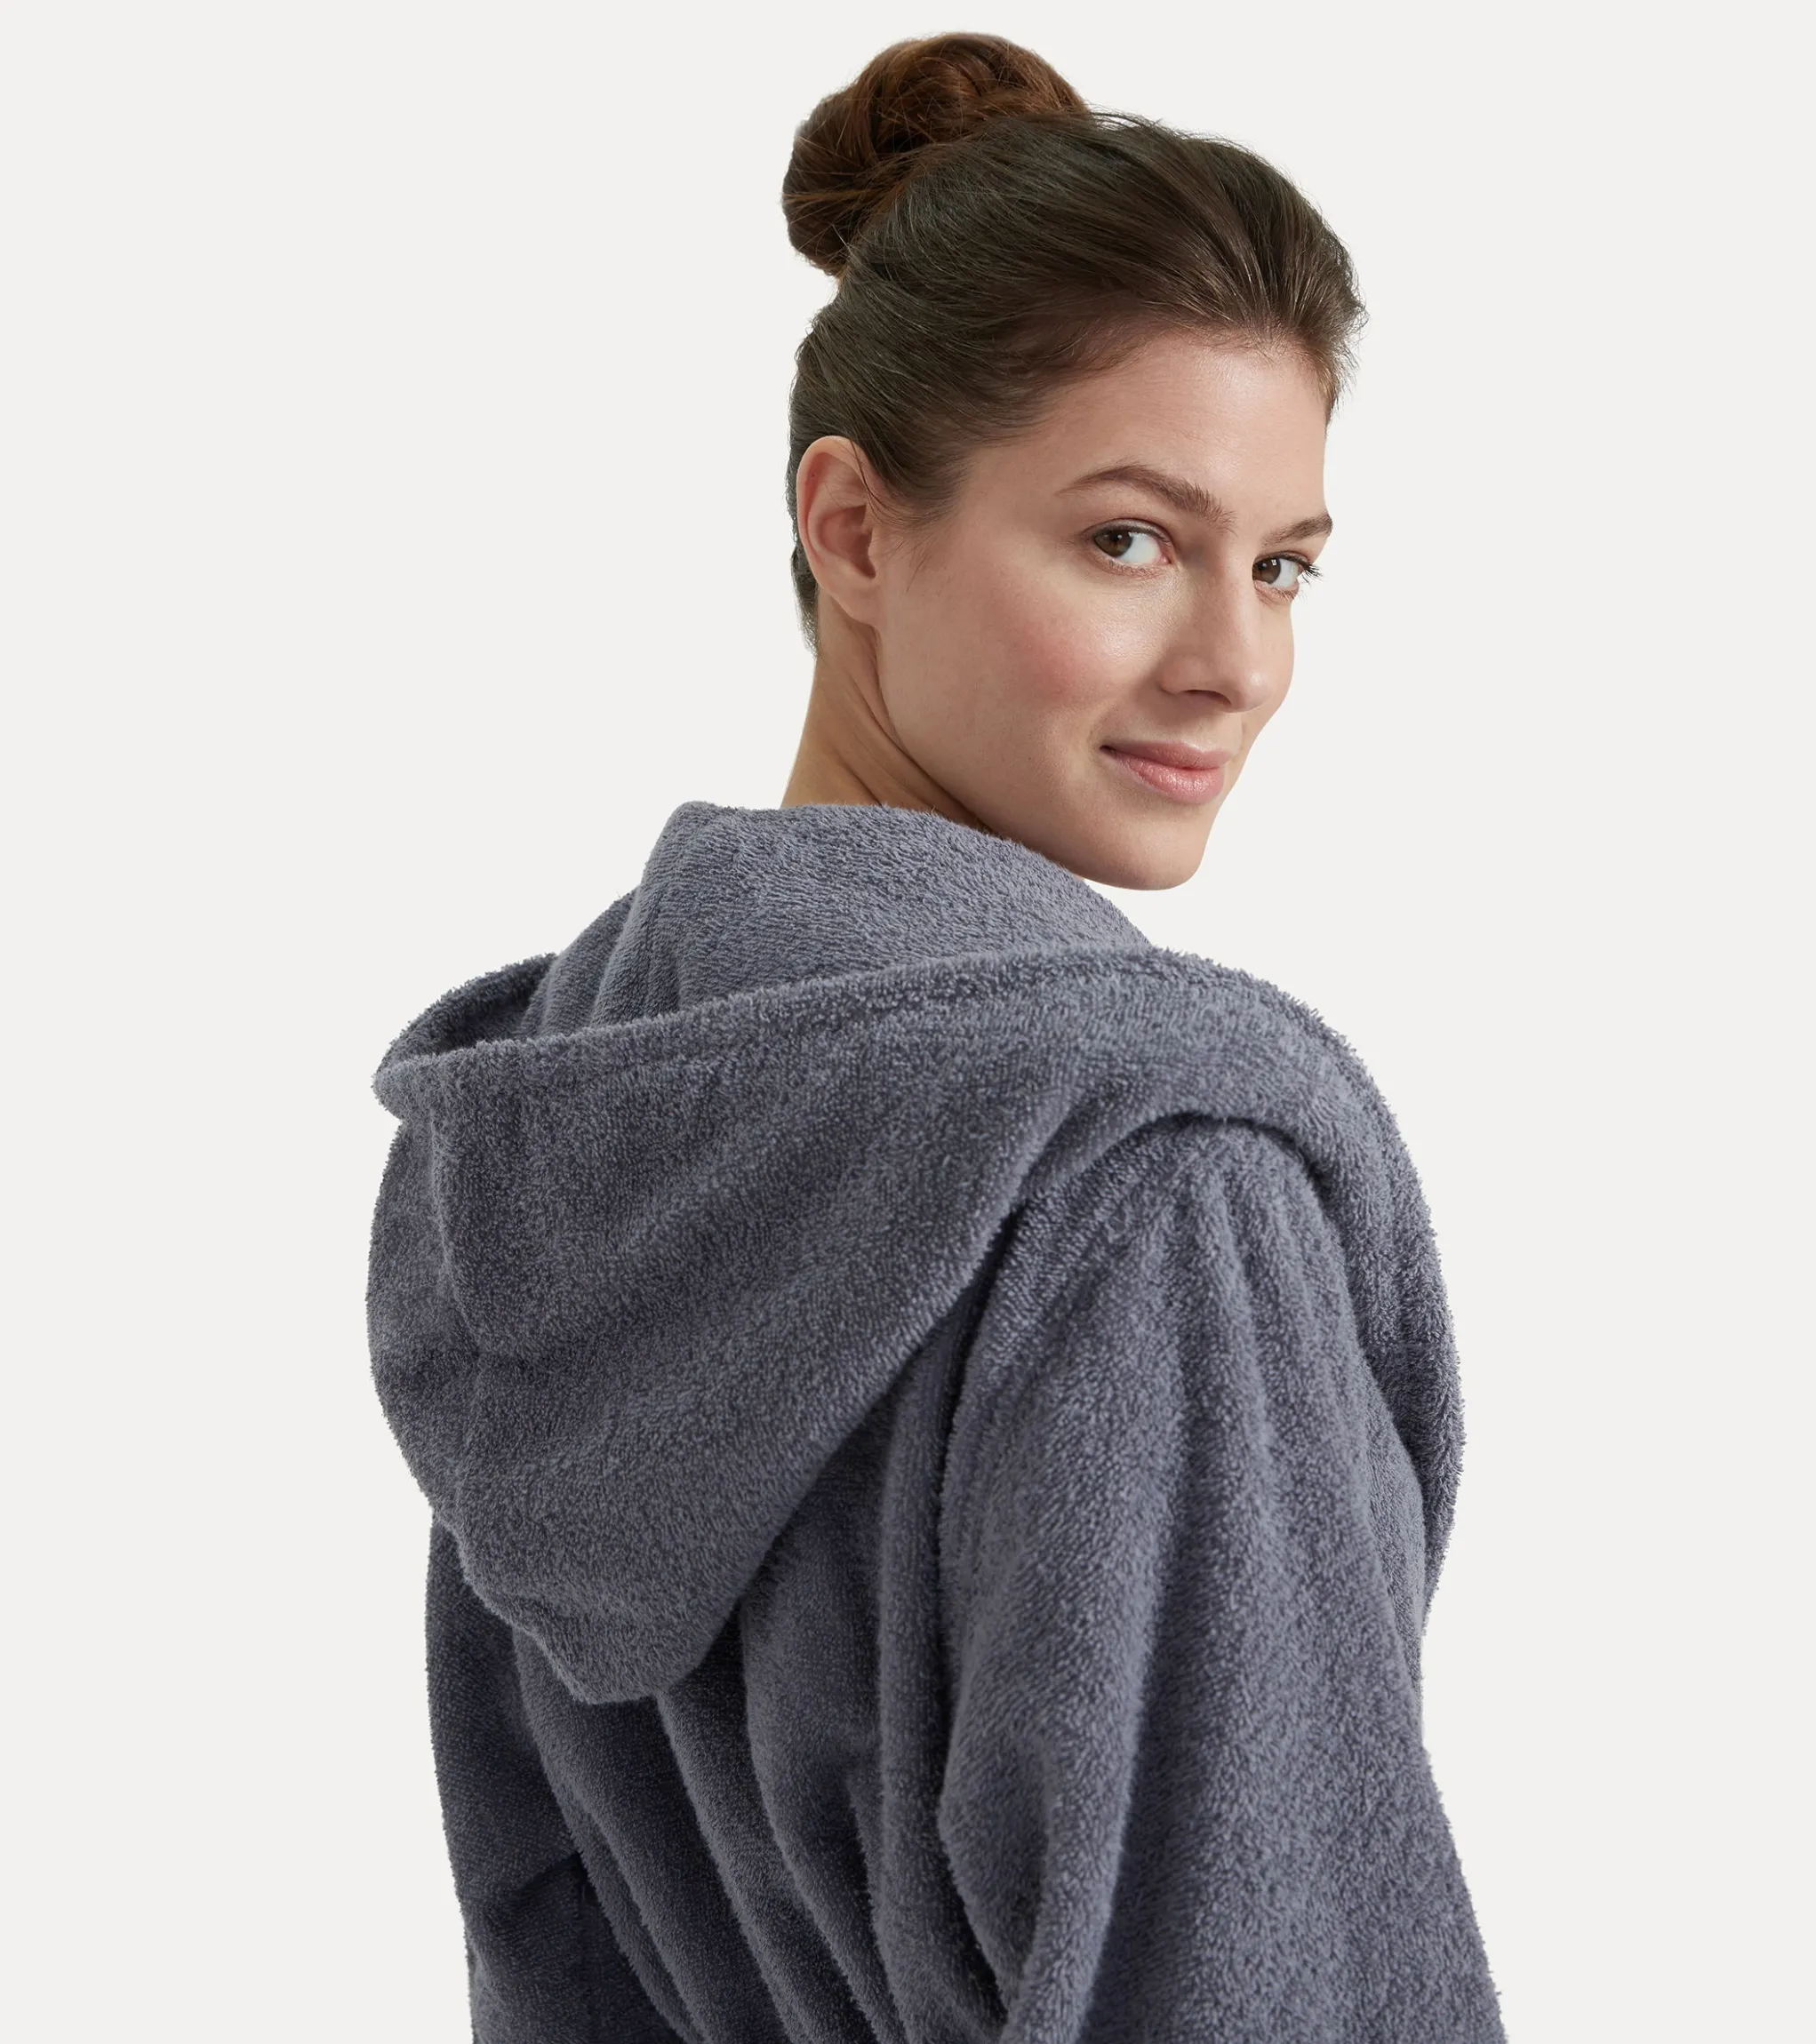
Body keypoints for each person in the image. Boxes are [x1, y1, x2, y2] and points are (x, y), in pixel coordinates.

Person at [366, 31, 1509, 2042]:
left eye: (1283, 566)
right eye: (1128, 540)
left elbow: (548, 1940)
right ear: (856, 528)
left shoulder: (583, 1143)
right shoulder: (1147, 1190)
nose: (1237, 662)